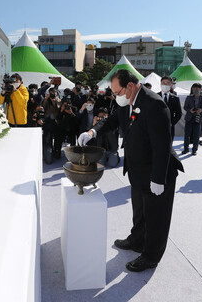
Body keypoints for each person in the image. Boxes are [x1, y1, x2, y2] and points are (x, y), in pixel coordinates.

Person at [77, 69, 183, 272]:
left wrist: (158, 179)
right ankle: (137, 240)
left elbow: (162, 144)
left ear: (131, 87)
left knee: (156, 217)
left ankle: (151, 256)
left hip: (157, 170)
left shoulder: (154, 104)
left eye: (117, 92)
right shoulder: (127, 102)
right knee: (140, 210)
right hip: (138, 169)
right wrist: (92, 131)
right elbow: (112, 121)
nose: (116, 97)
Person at [182, 83, 202, 155]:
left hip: (198, 117)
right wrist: (190, 110)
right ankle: (186, 149)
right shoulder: (188, 97)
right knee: (187, 134)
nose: (195, 90)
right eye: (194, 88)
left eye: (197, 88)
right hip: (189, 117)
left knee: (196, 135)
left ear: (200, 89)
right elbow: (185, 107)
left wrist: (201, 110)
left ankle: (194, 150)